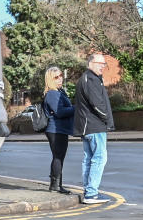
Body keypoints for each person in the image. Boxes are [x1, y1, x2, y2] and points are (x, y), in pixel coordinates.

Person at [73, 53, 114, 205]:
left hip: (87, 126)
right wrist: (106, 119)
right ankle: (91, 193)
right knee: (99, 158)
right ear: (90, 63)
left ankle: (89, 191)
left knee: (89, 158)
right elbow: (97, 104)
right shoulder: (91, 79)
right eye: (100, 63)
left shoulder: (85, 78)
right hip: (94, 125)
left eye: (104, 64)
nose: (103, 66)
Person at [42, 66, 75, 194]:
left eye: (61, 76)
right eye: (56, 77)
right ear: (50, 79)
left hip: (59, 129)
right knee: (58, 157)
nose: (60, 79)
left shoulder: (59, 92)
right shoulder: (52, 93)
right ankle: (55, 185)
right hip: (55, 130)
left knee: (59, 157)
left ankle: (56, 185)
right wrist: (76, 108)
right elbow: (60, 112)